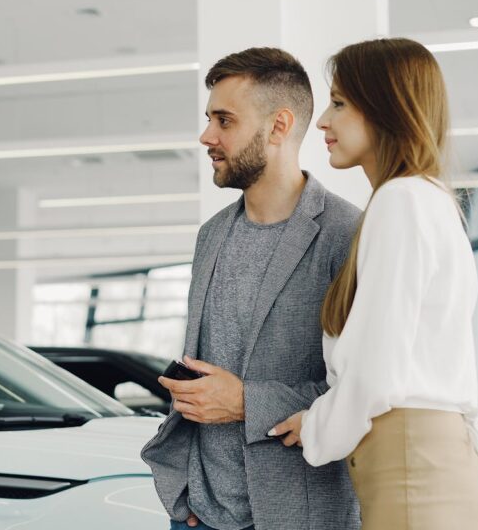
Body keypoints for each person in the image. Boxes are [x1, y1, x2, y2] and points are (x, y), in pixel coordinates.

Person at [269, 38, 478, 530]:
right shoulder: (425, 198)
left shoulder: (402, 200)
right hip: (424, 466)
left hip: (413, 472)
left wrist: (317, 427)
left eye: (339, 103)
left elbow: (377, 364)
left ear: (386, 107)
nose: (324, 122)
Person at [141, 47, 362, 530]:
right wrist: (186, 498)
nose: (207, 136)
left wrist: (247, 403)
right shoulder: (212, 234)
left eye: (224, 121)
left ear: (279, 127)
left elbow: (362, 388)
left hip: (295, 513)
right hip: (199, 513)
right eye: (209, 119)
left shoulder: (347, 234)